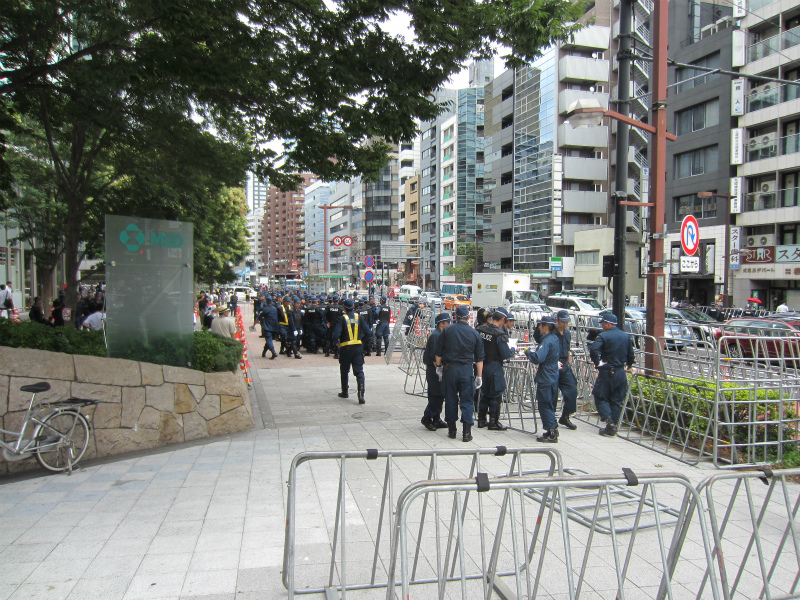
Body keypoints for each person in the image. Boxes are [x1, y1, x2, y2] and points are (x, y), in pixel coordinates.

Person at [434, 304, 484, 442]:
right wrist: (479, 376)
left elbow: (438, 353)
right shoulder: (475, 333)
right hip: (466, 370)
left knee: (450, 399)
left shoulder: (447, 331)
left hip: (450, 370)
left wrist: (438, 368)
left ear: (455, 316)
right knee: (467, 401)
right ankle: (467, 433)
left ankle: (452, 430)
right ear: (468, 317)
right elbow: (479, 359)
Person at [589, 313, 635, 437]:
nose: (602, 326)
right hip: (620, 371)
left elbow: (594, 349)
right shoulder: (626, 336)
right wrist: (629, 364)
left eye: (603, 323)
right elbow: (631, 354)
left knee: (600, 396)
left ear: (608, 323)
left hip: (607, 370)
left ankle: (609, 422)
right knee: (616, 399)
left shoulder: (603, 336)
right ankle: (613, 425)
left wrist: (598, 362)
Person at [476, 308, 515, 431]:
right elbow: (505, 354)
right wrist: (513, 350)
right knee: (496, 394)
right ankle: (493, 421)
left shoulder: (480, 329)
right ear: (503, 319)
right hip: (494, 367)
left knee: (485, 393)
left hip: (482, 366)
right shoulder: (499, 335)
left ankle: (481, 419)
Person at [524, 314, 560, 443]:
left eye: (540, 325)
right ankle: (553, 427)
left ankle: (551, 431)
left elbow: (538, 358)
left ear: (545, 326)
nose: (539, 328)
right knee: (550, 403)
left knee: (544, 404)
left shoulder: (547, 341)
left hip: (546, 376)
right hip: (553, 375)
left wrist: (528, 352)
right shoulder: (554, 338)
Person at [331, 298, 371, 403]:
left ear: (344, 308)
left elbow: (335, 335)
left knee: (344, 370)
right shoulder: (359, 318)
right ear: (353, 307)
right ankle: (361, 395)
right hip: (358, 348)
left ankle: (345, 392)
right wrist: (361, 341)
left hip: (346, 349)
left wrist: (336, 342)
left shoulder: (342, 319)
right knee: (359, 372)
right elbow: (368, 333)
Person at [421, 312, 451, 431]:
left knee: (439, 394)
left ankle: (436, 418)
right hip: (434, 369)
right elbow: (435, 357)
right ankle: (427, 417)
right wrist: (440, 370)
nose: (449, 324)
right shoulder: (436, 336)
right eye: (448, 322)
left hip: (438, 368)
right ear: (441, 324)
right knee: (436, 395)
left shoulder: (441, 334)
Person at [554, 310, 579, 430]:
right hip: (553, 365)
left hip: (564, 365)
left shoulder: (567, 333)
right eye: (563, 322)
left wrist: (568, 361)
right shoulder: (552, 333)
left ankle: (565, 415)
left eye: (567, 322)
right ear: (557, 320)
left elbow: (568, 348)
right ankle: (551, 419)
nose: (565, 324)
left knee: (572, 390)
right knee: (552, 394)